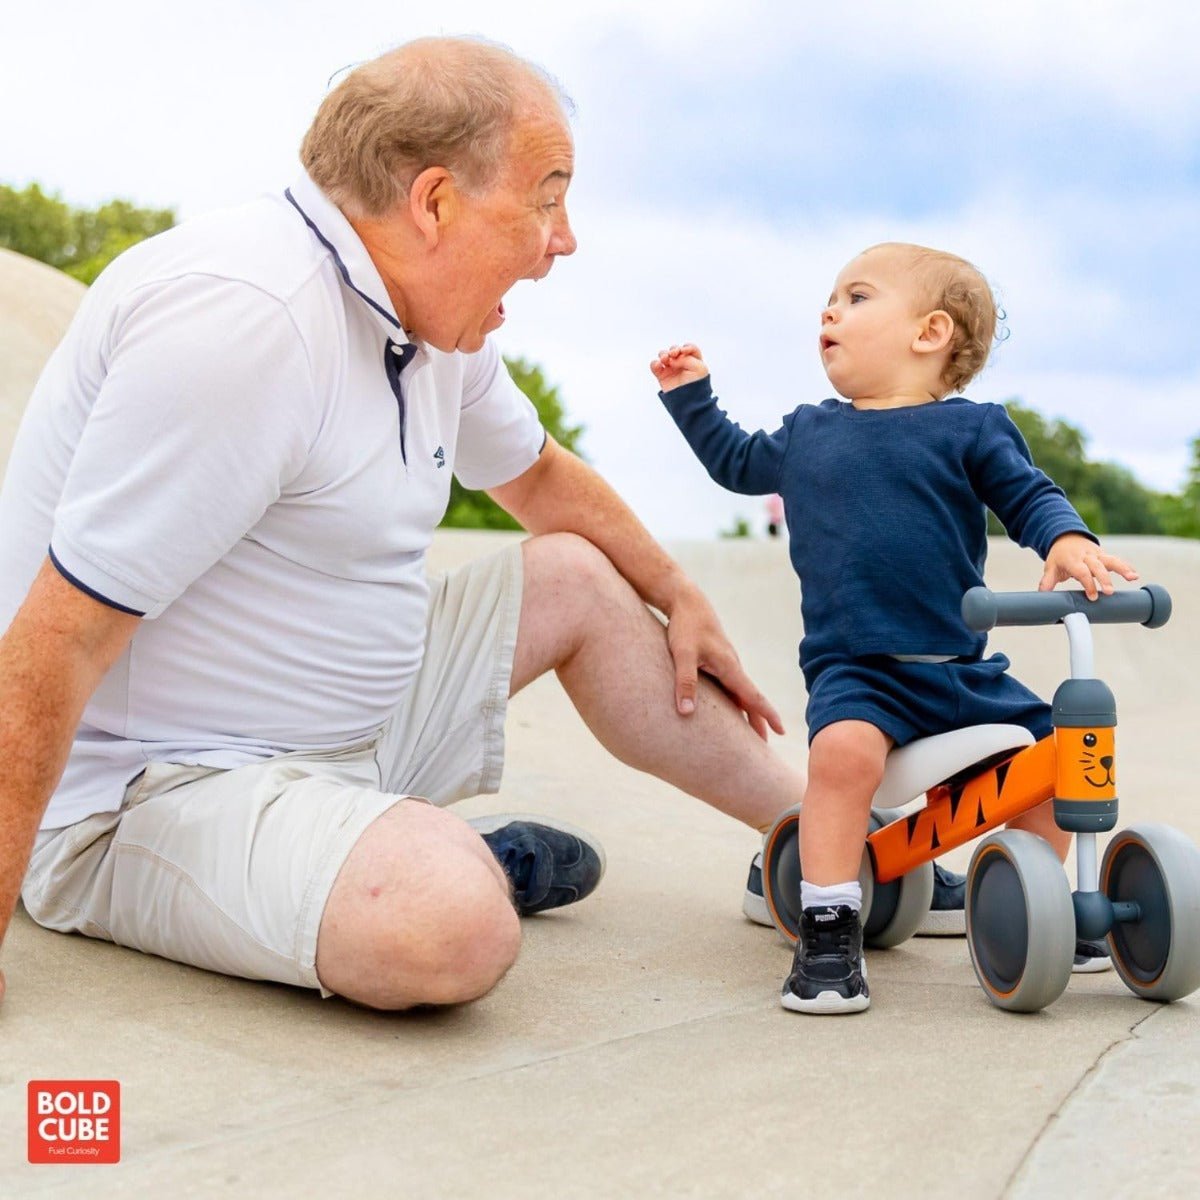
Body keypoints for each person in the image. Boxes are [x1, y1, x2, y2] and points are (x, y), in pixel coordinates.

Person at [0, 37, 806, 1009]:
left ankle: (836, 846)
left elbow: (542, 478)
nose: (566, 238)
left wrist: (679, 594)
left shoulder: (427, 320)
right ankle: (431, 858)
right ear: (434, 202)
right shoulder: (246, 322)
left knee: (580, 576)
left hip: (355, 739)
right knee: (448, 923)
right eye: (547, 197)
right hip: (152, 796)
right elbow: (55, 639)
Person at [651, 241, 1138, 1015]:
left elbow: (1029, 495)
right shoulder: (810, 432)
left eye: (857, 296)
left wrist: (1067, 539)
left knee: (1062, 756)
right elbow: (737, 463)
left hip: (961, 669)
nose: (830, 310)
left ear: (930, 332)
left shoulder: (974, 430)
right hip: (860, 671)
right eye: (831, 299)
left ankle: (1032, 905)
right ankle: (829, 930)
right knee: (842, 755)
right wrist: (691, 397)